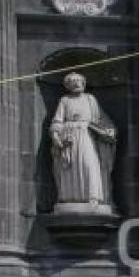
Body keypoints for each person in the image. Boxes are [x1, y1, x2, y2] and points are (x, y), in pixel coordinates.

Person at [50, 72, 117, 212]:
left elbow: (101, 119)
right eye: (72, 81)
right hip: (70, 138)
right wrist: (56, 137)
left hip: (87, 136)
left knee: (89, 164)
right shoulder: (65, 100)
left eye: (78, 80)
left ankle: (93, 197)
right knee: (71, 167)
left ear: (83, 83)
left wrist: (108, 131)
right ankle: (70, 198)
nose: (76, 83)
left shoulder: (90, 99)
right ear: (67, 85)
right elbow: (57, 122)